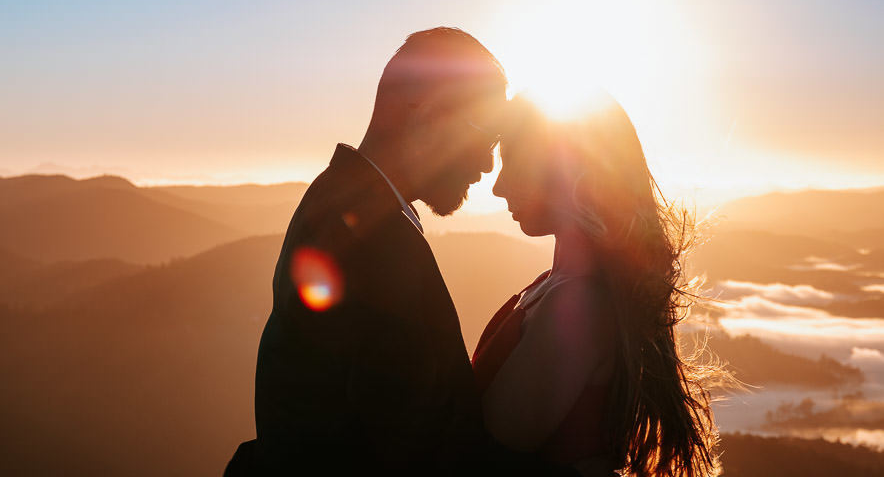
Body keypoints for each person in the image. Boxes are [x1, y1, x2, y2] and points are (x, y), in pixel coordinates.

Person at [225, 28, 574, 475]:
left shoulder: (339, 203)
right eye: (483, 134)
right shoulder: (377, 249)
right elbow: (431, 455)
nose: (488, 165)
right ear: (421, 110)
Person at [472, 94, 720, 476]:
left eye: (514, 165)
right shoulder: (555, 286)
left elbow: (484, 453)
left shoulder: (578, 305)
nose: (498, 188)